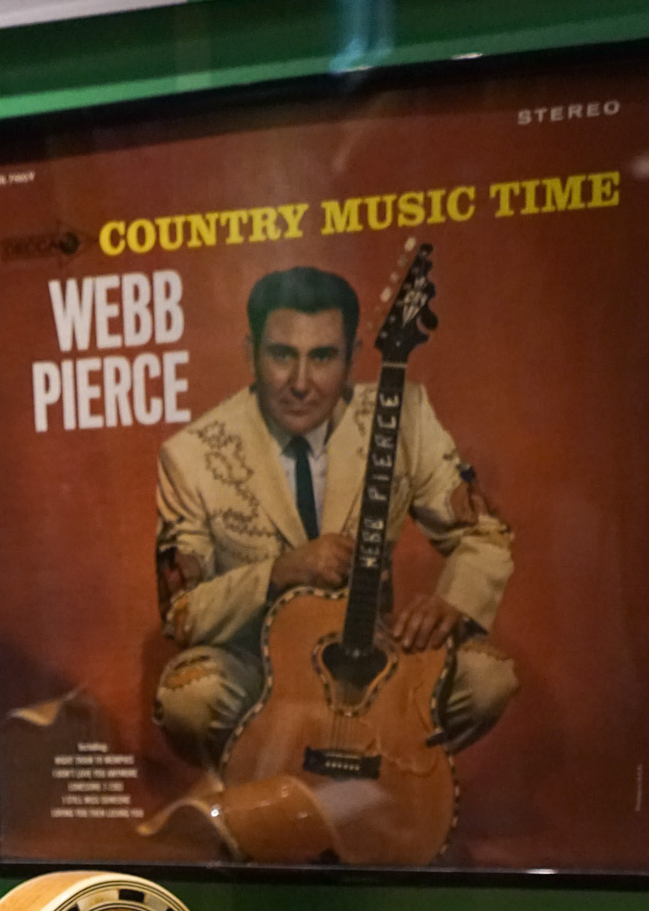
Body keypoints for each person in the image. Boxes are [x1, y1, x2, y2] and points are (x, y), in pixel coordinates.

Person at [153, 265, 517, 772]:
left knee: (488, 678)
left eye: (322, 356)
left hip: (369, 665)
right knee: (187, 698)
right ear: (249, 352)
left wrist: (454, 601)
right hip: (261, 675)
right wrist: (279, 572)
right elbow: (182, 613)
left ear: (352, 356)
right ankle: (266, 789)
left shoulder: (403, 415)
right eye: (281, 354)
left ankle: (395, 779)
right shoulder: (189, 456)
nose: (300, 383)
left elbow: (482, 532)